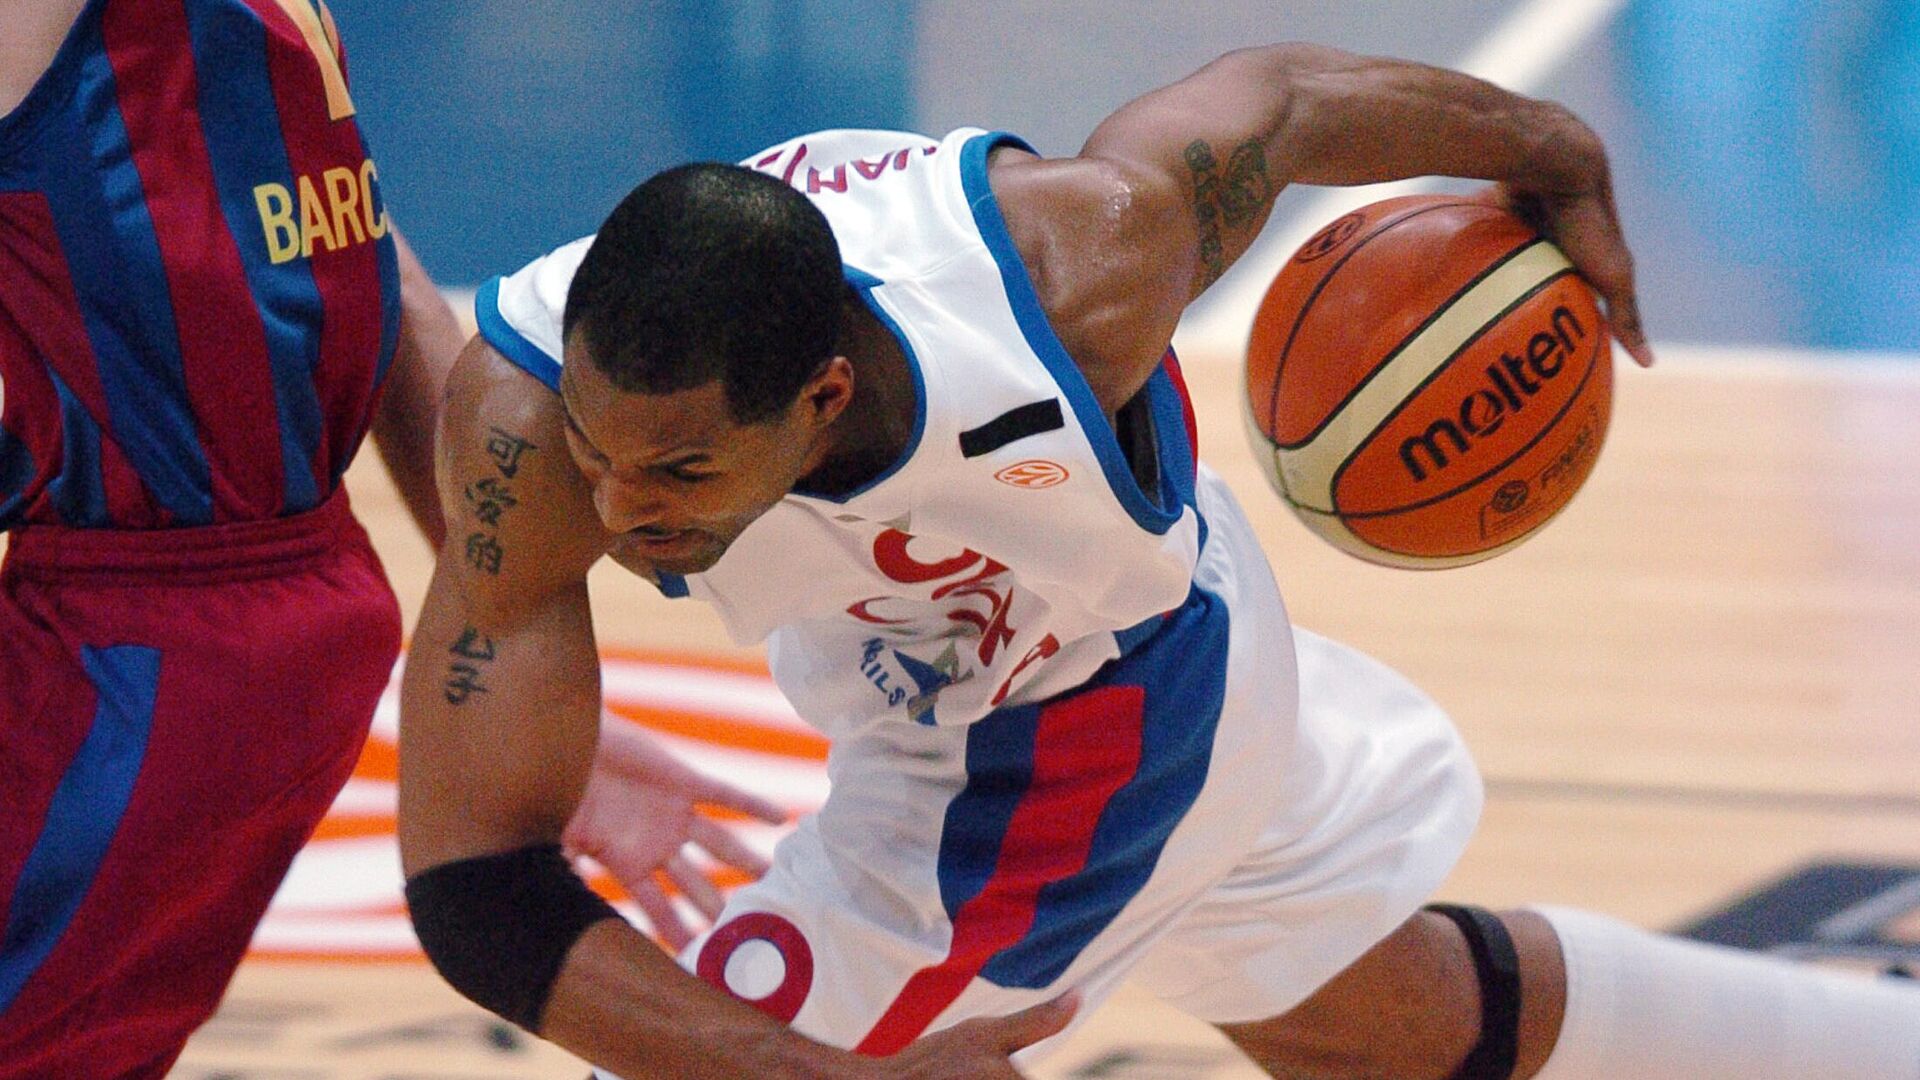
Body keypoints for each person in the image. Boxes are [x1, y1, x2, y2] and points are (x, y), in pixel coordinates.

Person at [396, 41, 1920, 1080]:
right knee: (1385, 1028)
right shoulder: (529, 426)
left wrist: (1557, 150)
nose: (620, 506)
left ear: (824, 398)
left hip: (1095, 725)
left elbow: (1280, 101)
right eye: (603, 454)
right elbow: (477, 882)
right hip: (975, 663)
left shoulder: (1072, 274)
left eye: (679, 473)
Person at [0, 2, 774, 1075]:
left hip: (147, 652)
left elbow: (373, 265)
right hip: (277, 629)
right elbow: (380, 268)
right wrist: (515, 663)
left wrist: (517, 661)